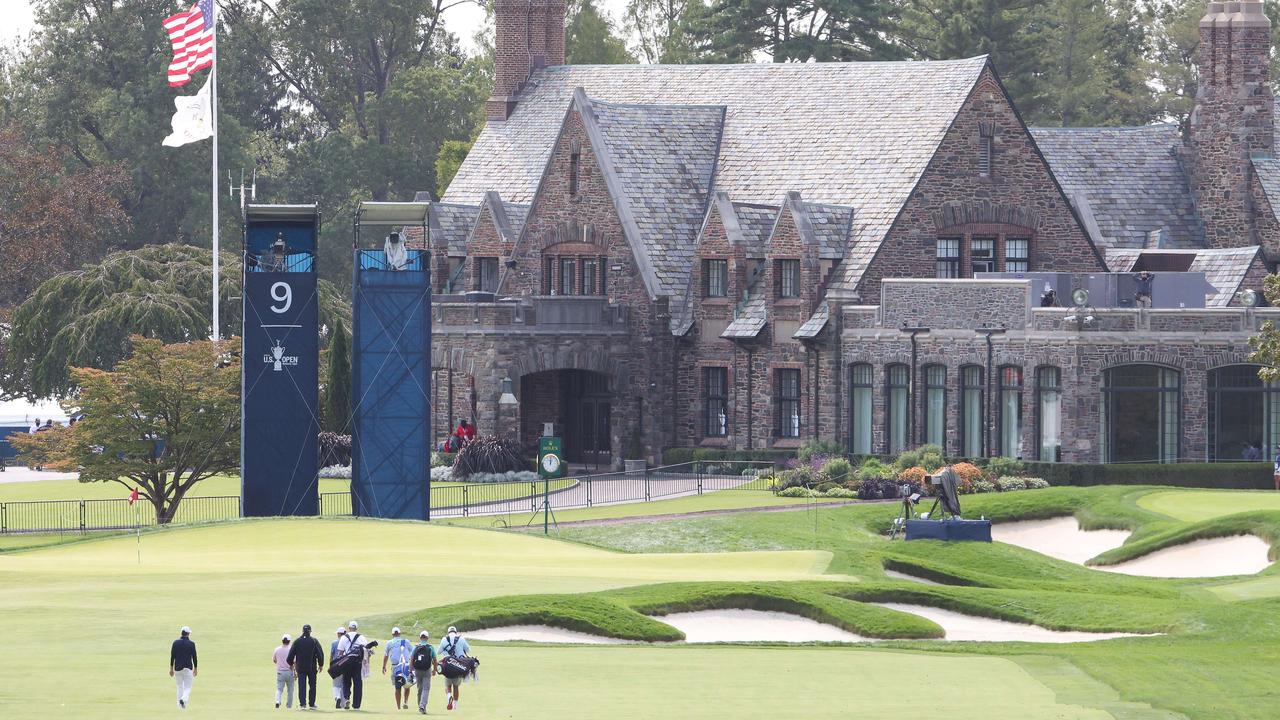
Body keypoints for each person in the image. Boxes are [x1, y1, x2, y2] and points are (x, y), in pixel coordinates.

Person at [336, 621, 373, 710]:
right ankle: (356, 705)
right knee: (358, 683)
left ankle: (347, 698)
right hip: (357, 662)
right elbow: (367, 650)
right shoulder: (361, 637)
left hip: (347, 662)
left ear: (349, 628)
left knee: (346, 681)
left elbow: (340, 653)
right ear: (356, 628)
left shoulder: (344, 637)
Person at [287, 624, 325, 710]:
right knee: (312, 685)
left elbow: (290, 657)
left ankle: (303, 704)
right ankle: (312, 704)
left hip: (301, 667)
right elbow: (320, 654)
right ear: (310, 631)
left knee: (302, 685)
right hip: (312, 667)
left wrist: (291, 664)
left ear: (302, 631)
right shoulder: (314, 641)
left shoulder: (297, 641)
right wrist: (321, 664)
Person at [437, 626, 471, 711]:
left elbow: (438, 652)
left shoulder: (444, 639)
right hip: (458, 665)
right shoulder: (461, 639)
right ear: (456, 632)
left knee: (448, 686)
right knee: (456, 686)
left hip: (447, 666)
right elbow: (468, 649)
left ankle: (449, 696)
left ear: (448, 632)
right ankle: (455, 706)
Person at [382, 627, 415, 710]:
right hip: (406, 666)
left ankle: (398, 707)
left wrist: (384, 666)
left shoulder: (389, 643)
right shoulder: (406, 641)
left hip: (395, 667)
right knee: (407, 685)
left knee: (397, 687)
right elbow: (413, 652)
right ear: (400, 634)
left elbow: (386, 655)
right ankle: (405, 702)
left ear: (392, 634)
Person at [170, 626, 198, 710]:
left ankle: (180, 705)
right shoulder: (191, 644)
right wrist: (195, 668)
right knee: (188, 687)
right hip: (188, 668)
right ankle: (183, 699)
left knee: (179, 686)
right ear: (188, 634)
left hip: (177, 668)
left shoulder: (175, 643)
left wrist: (171, 668)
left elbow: (172, 657)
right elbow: (194, 657)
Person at [411, 631, 438, 715]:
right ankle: (422, 706)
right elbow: (435, 660)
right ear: (427, 638)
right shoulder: (430, 648)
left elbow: (411, 660)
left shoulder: (415, 647)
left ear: (420, 638)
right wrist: (435, 670)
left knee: (420, 689)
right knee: (426, 689)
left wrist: (410, 671)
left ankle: (421, 706)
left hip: (417, 670)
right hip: (427, 670)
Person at [272, 634, 296, 709]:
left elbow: (274, 660)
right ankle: (288, 706)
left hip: (280, 672)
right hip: (289, 671)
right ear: (289, 641)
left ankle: (277, 701)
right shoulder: (291, 649)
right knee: (290, 690)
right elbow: (295, 662)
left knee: (279, 689)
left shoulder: (277, 649)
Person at [331, 627, 348, 709]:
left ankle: (337, 697)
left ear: (339, 634)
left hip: (336, 666)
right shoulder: (348, 642)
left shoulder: (334, 643)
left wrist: (330, 666)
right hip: (346, 665)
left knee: (336, 685)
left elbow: (331, 656)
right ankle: (344, 703)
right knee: (344, 685)